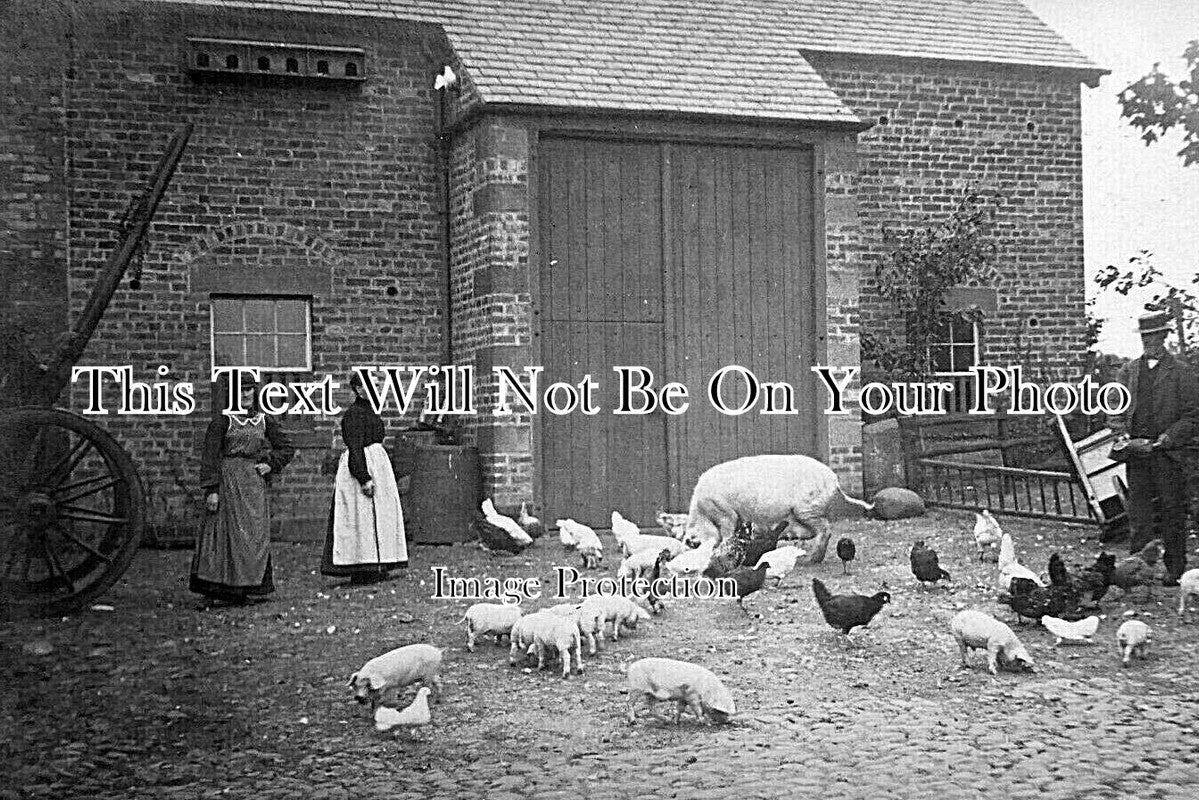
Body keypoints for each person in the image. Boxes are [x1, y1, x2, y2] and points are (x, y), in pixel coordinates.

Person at [1108, 311, 1199, 586]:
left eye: (1155, 336)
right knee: (1138, 513)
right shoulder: (1129, 371)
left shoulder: (1182, 373)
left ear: (1165, 336)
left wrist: (1167, 439)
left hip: (1167, 455)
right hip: (1136, 455)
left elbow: (1193, 415)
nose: (1150, 341)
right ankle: (1135, 570)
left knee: (1172, 510)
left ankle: (1175, 568)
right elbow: (1115, 410)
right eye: (1146, 336)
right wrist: (1124, 436)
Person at [191, 378, 295, 604]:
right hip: (227, 483)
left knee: (252, 536)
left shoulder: (264, 420)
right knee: (222, 536)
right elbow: (210, 457)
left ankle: (247, 588)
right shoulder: (221, 422)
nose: (245, 394)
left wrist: (270, 463)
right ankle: (219, 590)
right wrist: (211, 489)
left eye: (249, 390)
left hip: (252, 486)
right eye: (241, 390)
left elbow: (286, 448)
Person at [321, 372, 408, 584]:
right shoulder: (354, 415)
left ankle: (379, 563)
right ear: (358, 389)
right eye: (370, 386)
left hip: (377, 465)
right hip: (362, 467)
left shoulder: (370, 411)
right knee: (360, 517)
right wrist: (363, 477)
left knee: (379, 517)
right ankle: (361, 567)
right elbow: (355, 448)